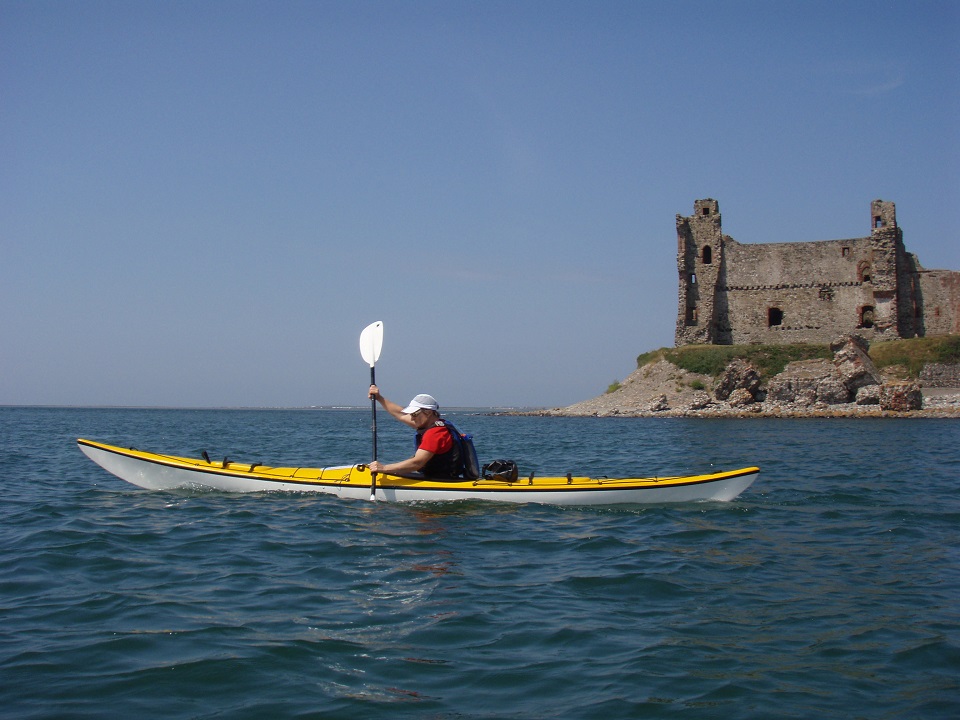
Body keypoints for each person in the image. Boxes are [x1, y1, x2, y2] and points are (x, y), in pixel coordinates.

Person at [367, 385, 462, 479]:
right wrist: (379, 398)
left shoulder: (435, 433)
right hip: (434, 476)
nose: (411, 418)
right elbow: (400, 414)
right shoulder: (435, 424)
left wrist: (384, 468)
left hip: (442, 480)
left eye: (414, 414)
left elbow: (417, 463)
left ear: (428, 412)